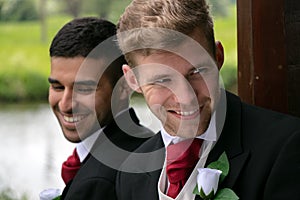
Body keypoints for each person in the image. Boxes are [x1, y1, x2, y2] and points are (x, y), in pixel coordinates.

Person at [115, 0, 300, 199]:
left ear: (218, 57)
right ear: (133, 80)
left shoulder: (287, 147)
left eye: (197, 71)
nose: (186, 98)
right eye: (162, 80)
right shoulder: (129, 173)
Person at [48, 17, 153, 200]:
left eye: (84, 89)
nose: (65, 104)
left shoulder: (98, 182)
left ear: (124, 87)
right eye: (58, 87)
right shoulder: (147, 142)